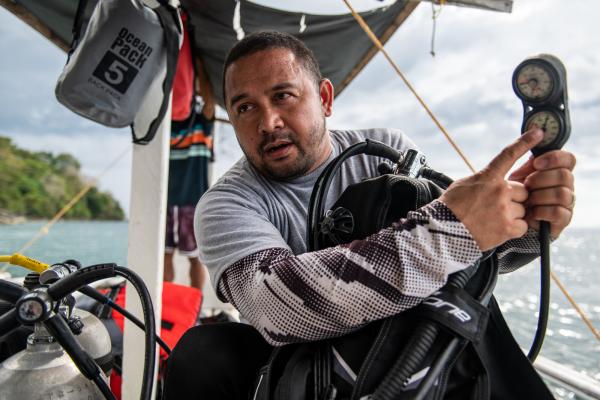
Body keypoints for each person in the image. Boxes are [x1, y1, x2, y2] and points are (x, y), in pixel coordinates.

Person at [163, 32, 576, 399]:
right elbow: (275, 308)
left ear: (324, 98)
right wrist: (452, 230)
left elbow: (466, 260)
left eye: (283, 96)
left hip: (412, 355)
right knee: (201, 353)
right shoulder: (224, 204)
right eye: (245, 108)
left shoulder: (389, 152)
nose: (268, 122)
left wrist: (529, 224)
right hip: (298, 368)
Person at [163, 17, 216, 290]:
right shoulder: (162, 124)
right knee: (164, 254)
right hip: (164, 200)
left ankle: (192, 309)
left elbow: (208, 97)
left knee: (196, 259)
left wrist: (196, 62)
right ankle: (166, 308)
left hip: (193, 203)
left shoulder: (202, 121)